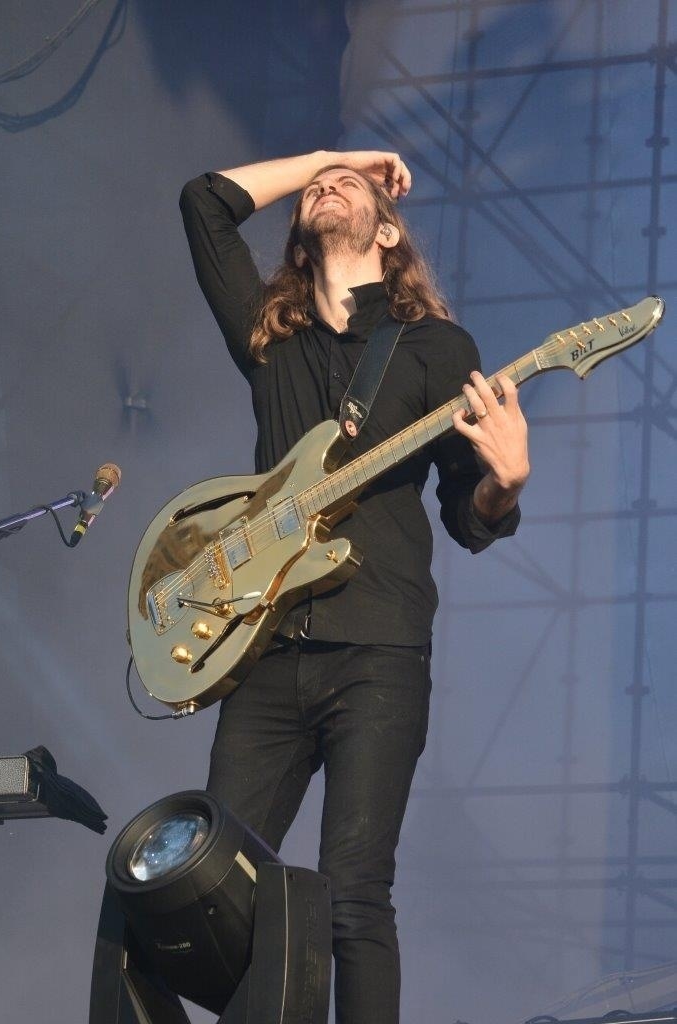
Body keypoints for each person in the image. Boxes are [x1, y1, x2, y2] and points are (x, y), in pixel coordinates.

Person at [179, 150, 529, 1024]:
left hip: (378, 648)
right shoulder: (271, 340)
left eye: (347, 188)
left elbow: (467, 514)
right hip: (265, 650)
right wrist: (332, 159)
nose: (325, 187)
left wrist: (504, 484)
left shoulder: (437, 350)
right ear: (299, 240)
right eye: (314, 189)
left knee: (353, 895)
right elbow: (204, 203)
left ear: (388, 232)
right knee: (209, 886)